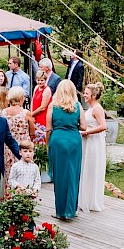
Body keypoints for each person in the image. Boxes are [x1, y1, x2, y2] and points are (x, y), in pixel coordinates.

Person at [46, 81, 85, 219]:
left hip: (58, 141)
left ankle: (61, 211)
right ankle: (71, 210)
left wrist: (47, 144)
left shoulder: (53, 106)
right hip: (74, 141)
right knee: (73, 174)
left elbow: (48, 128)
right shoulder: (78, 106)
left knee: (60, 176)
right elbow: (84, 127)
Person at [78, 83, 108, 213]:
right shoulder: (90, 108)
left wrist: (86, 132)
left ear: (94, 95)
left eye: (86, 93)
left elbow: (103, 126)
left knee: (92, 169)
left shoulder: (97, 109)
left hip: (94, 143)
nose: (84, 95)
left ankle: (92, 200)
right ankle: (85, 199)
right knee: (87, 169)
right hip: (87, 142)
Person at [2, 87, 36, 182]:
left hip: (8, 147)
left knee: (9, 174)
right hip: (23, 146)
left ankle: (9, 194)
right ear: (21, 98)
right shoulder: (25, 113)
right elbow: (32, 132)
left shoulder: (4, 112)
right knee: (24, 173)